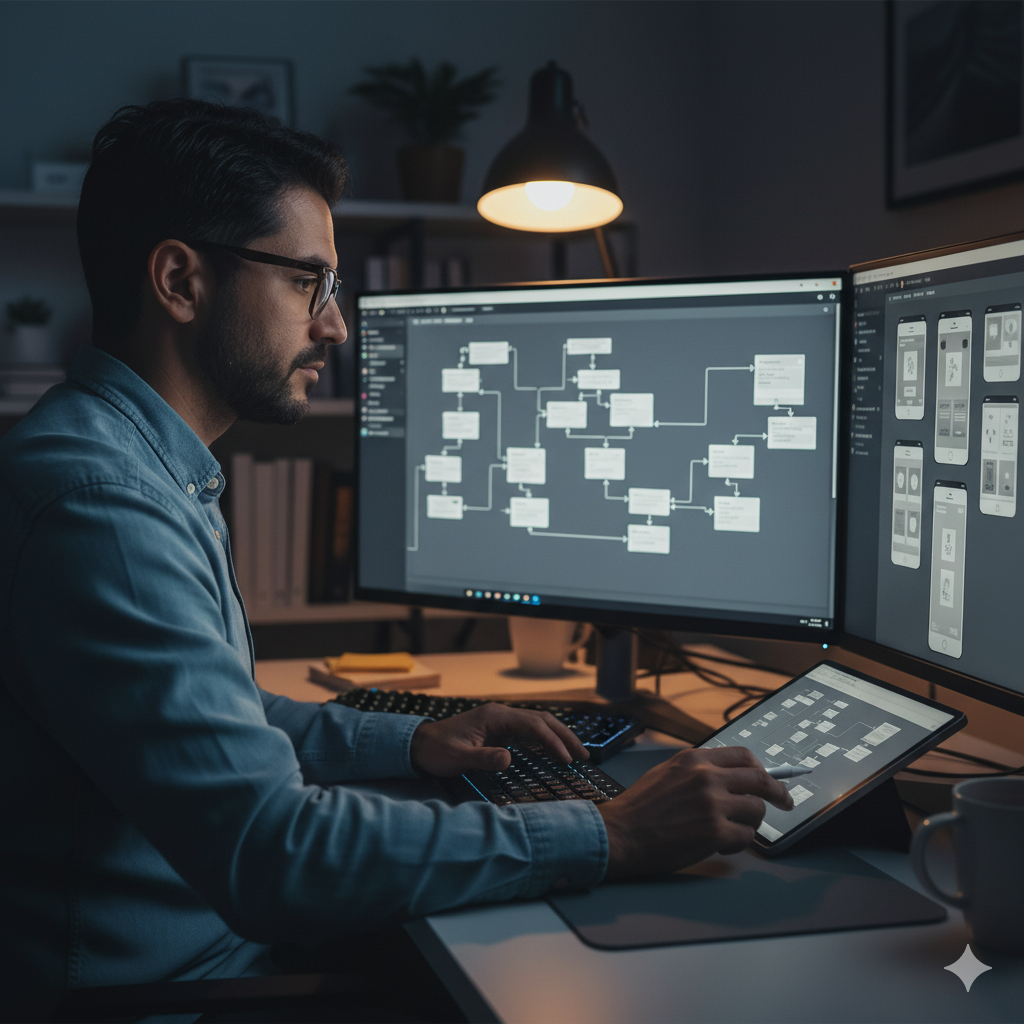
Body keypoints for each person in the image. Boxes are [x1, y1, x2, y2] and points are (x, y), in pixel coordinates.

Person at [0, 99, 793, 1021]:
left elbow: (218, 716)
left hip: (206, 955)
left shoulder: (127, 461)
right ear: (180, 280)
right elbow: (275, 855)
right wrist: (610, 832)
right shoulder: (102, 505)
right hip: (169, 994)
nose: (334, 329)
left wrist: (412, 740)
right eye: (309, 283)